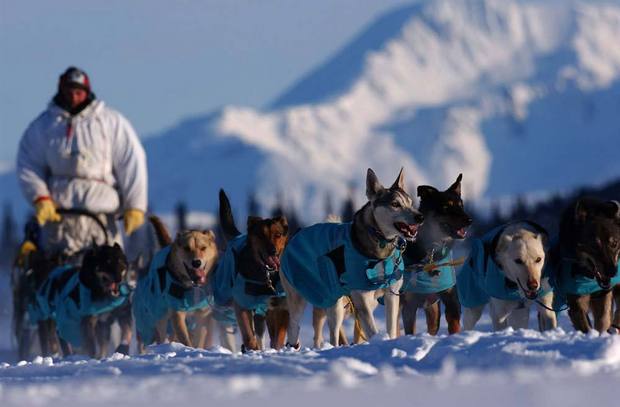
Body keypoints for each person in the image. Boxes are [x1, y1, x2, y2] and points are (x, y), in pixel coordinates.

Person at [17, 66, 147, 255]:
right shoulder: (43, 126)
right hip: (58, 220)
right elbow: (28, 164)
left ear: (87, 92)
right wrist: (40, 196)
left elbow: (131, 161)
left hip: (101, 218)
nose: (74, 97)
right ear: (61, 91)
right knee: (54, 277)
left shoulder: (111, 122)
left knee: (110, 277)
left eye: (79, 92)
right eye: (69, 91)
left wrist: (135, 205)